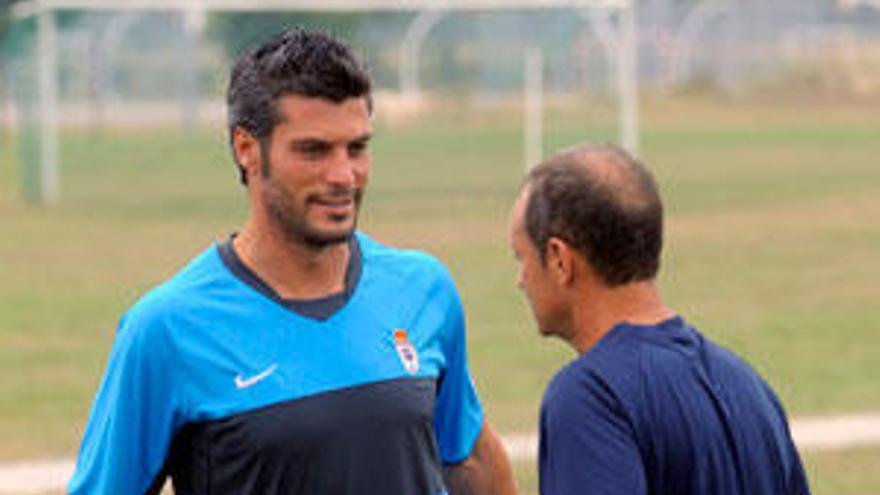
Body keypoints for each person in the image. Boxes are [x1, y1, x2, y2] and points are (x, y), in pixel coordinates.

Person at [69, 28, 516, 495]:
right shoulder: (165, 330)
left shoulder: (424, 288)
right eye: (314, 150)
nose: (343, 175)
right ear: (247, 149)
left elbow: (471, 459)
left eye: (357, 148)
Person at [508, 143, 811, 495]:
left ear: (560, 260)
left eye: (521, 258)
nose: (521, 280)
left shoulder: (590, 398)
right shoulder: (749, 387)